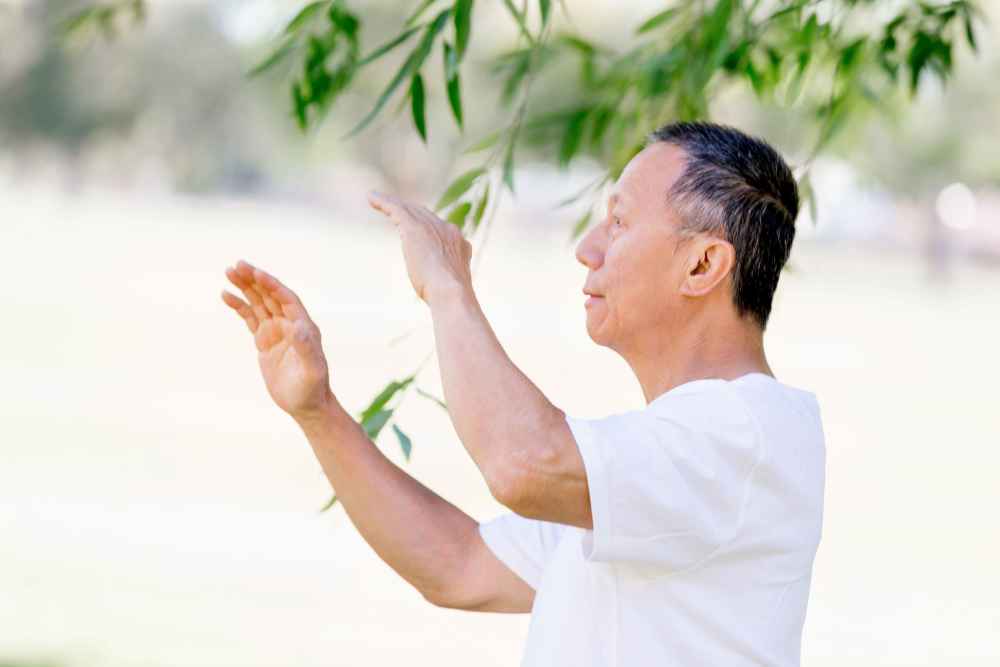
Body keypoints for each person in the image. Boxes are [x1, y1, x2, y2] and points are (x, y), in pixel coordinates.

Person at [220, 121, 825, 666]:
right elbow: (456, 566)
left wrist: (448, 286)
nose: (587, 248)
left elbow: (523, 464)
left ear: (701, 266)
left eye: (619, 222)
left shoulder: (744, 434)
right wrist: (318, 411)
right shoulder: (660, 462)